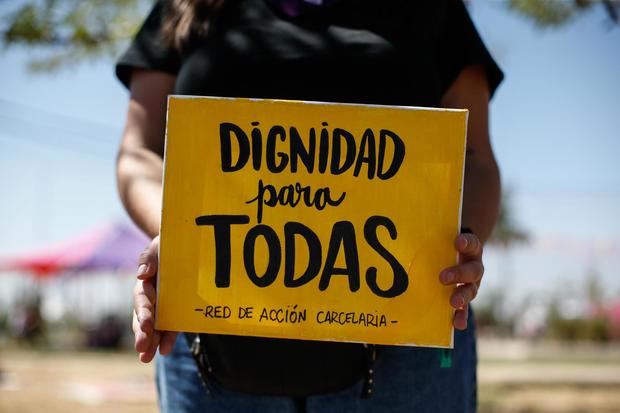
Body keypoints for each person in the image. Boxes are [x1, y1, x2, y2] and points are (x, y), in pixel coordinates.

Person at [116, 0, 502, 411]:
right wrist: (178, 231)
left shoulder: (432, 9)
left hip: (408, 348)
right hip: (209, 344)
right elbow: (140, 150)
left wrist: (462, 244)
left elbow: (475, 156)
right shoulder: (186, 6)